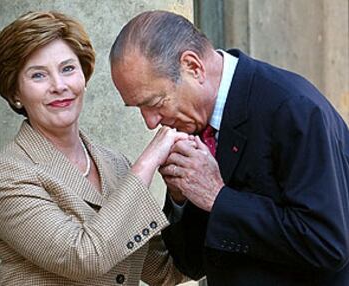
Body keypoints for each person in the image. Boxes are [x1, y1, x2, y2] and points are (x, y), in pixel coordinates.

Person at [109, 10, 349, 286]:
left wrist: (218, 197)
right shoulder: (196, 122)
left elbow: (327, 243)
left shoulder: (294, 108)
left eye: (155, 102)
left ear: (193, 67)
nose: (151, 122)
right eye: (138, 107)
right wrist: (180, 198)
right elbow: (189, 264)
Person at [0, 11, 189, 286]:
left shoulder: (116, 165)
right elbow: (83, 258)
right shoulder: (5, 176)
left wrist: (182, 195)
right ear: (15, 92)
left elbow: (164, 271)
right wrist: (147, 163)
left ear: (84, 76)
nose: (59, 86)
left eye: (68, 69)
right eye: (38, 75)